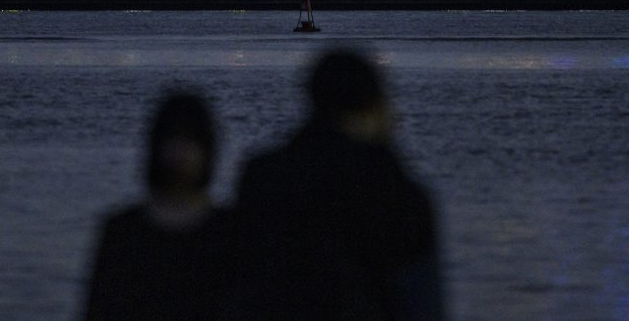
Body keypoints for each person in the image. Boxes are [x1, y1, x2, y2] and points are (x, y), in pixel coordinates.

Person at [232, 50, 443, 320]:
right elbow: (420, 304)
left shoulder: (263, 177)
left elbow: (244, 284)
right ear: (373, 105)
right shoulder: (397, 193)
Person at [83, 92, 229, 320]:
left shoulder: (232, 232)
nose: (181, 152)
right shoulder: (122, 233)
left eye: (190, 141)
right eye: (173, 139)